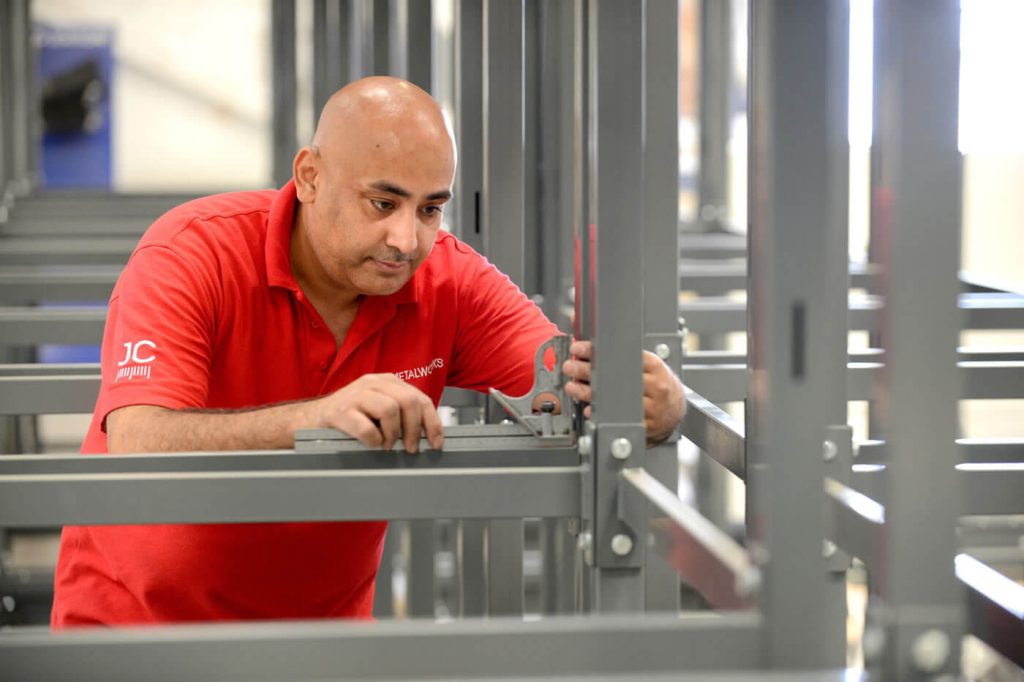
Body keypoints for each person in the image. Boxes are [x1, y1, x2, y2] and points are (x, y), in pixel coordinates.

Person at [51, 77, 685, 627]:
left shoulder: (447, 282)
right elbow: (139, 441)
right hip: (133, 634)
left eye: (430, 209)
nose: (406, 240)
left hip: (324, 647)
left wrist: (650, 402)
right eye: (383, 203)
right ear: (309, 177)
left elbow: (564, 377)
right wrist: (319, 419)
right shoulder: (191, 255)